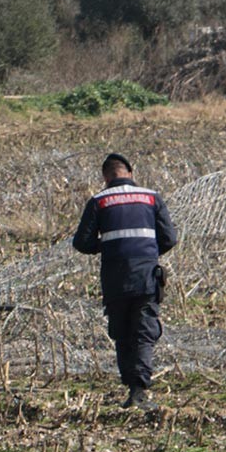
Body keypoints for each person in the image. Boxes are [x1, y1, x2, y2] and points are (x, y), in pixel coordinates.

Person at [71, 153, 177, 409]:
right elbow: (169, 238)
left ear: (106, 177)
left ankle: (131, 387)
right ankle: (139, 389)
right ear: (130, 172)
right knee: (143, 331)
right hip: (145, 276)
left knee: (122, 332)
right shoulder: (151, 197)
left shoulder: (99, 201)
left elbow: (81, 243)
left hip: (115, 277)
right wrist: (147, 252)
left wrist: (109, 247)